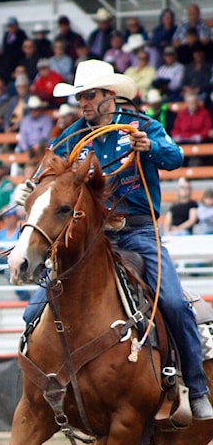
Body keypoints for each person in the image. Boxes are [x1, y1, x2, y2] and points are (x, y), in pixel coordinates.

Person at [24, 59, 212, 420]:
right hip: (94, 236)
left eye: (90, 95)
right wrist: (30, 190)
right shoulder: (71, 137)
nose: (83, 103)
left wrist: (149, 148)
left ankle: (196, 387)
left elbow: (175, 157)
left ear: (110, 96)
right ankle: (52, 383)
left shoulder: (142, 127)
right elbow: (46, 177)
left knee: (172, 302)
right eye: (80, 97)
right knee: (35, 309)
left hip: (139, 232)